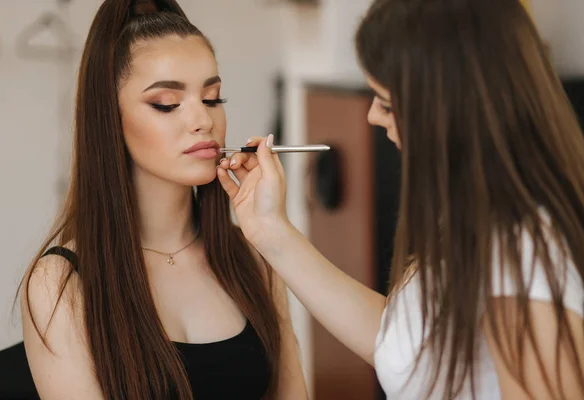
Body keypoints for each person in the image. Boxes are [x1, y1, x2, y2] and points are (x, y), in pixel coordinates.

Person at [217, 0, 584, 399]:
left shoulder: (522, 252)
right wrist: (272, 231)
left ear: (451, 109)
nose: (373, 116)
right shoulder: (477, 216)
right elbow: (406, 345)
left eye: (387, 103)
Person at [18, 0, 307, 399]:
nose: (203, 121)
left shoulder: (254, 259)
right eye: (167, 104)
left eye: (212, 99)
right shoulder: (61, 283)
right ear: (110, 120)